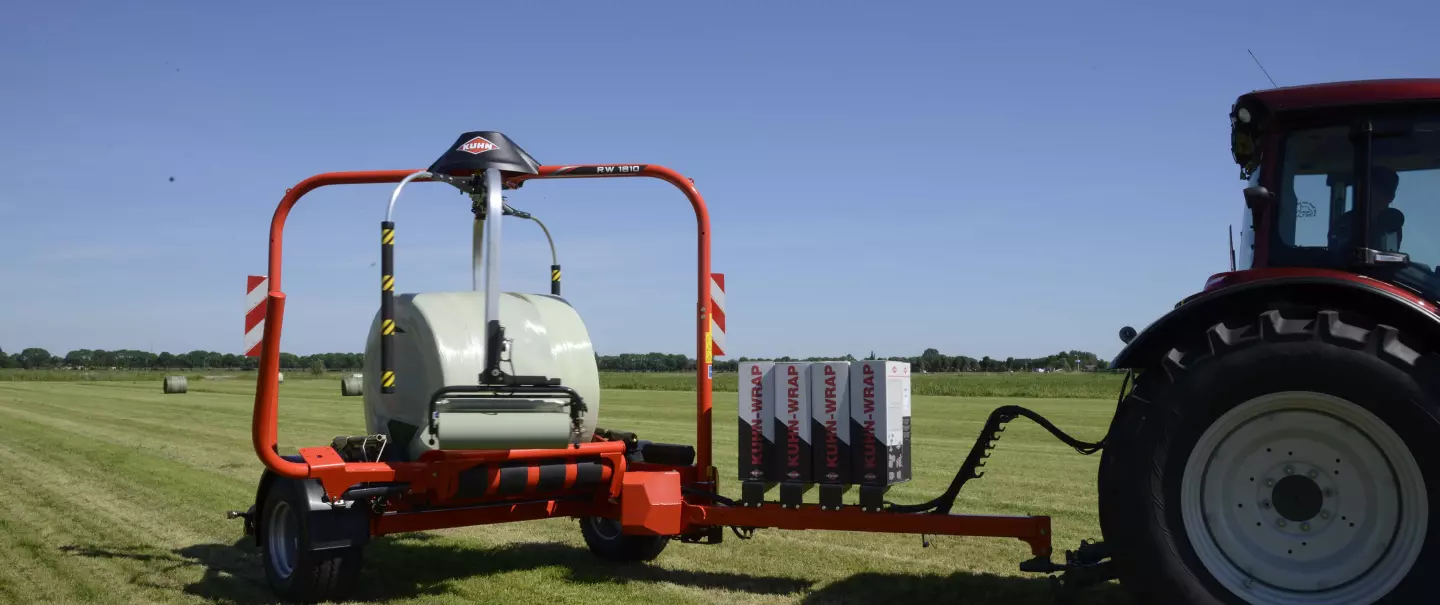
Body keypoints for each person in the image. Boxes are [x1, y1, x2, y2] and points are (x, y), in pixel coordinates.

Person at [1332, 165, 1403, 252]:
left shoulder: (1392, 224)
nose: (1377, 196)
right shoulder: (1345, 222)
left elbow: (1391, 255)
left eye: (1386, 191)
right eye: (1376, 189)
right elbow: (1338, 252)